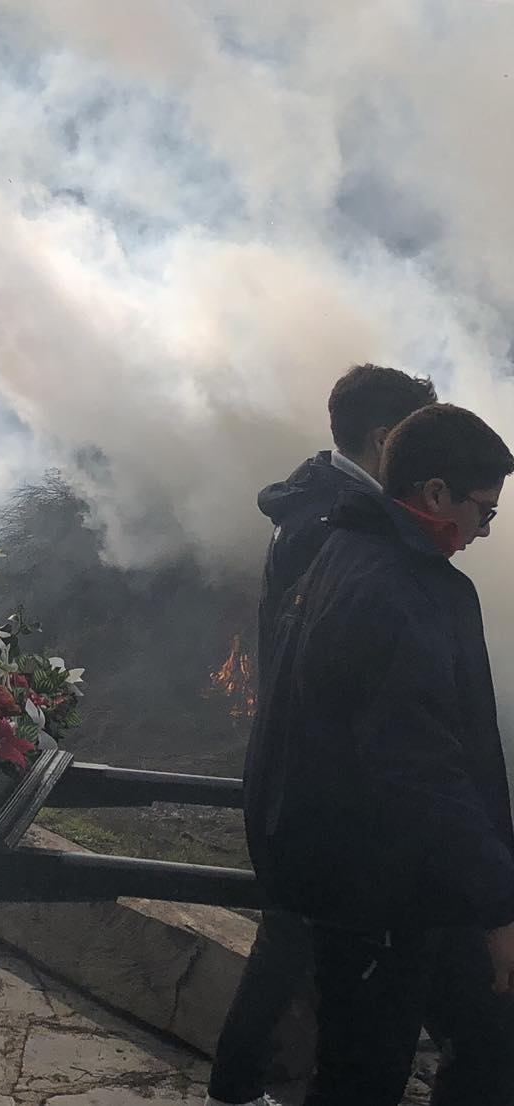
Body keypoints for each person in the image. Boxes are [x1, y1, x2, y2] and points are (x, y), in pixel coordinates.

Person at [244, 403, 514, 1105]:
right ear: (433, 495)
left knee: (488, 1034)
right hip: (373, 889)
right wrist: (500, 906)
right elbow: (419, 765)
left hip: (410, 881)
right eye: (483, 511)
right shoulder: (400, 588)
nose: (485, 531)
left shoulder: (350, 548)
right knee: (360, 1077)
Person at [206, 363, 437, 1106]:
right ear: (381, 439)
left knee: (287, 938)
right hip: (318, 776)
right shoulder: (331, 524)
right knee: (297, 942)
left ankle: (236, 1089)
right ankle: (240, 1090)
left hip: (301, 768)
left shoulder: (323, 506)